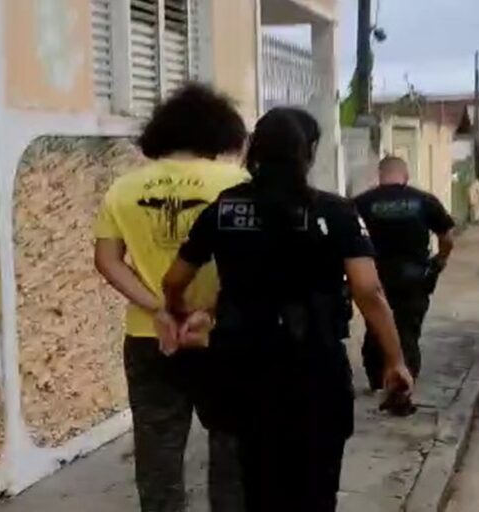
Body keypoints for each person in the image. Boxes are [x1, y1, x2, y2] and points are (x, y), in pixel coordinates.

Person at [161, 108, 413, 511]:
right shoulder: (336, 212)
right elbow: (369, 291)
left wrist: (179, 311)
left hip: (243, 368)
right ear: (308, 153)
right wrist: (395, 360)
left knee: (257, 485)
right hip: (315, 367)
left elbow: (175, 279)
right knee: (316, 490)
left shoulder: (225, 209)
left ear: (255, 150)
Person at [93, 83, 248, 512]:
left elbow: (107, 261)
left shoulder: (123, 189)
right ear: (220, 132)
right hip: (221, 335)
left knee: (157, 457)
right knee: (232, 452)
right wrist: (210, 310)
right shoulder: (239, 184)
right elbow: (251, 263)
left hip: (151, 336)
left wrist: (158, 306)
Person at [354, 156, 455, 401]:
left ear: (380, 176)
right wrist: (439, 261)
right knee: (408, 331)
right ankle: (403, 384)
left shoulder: (362, 202)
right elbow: (447, 237)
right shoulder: (424, 200)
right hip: (414, 279)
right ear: (406, 176)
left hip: (376, 278)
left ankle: (377, 382)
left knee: (375, 328)